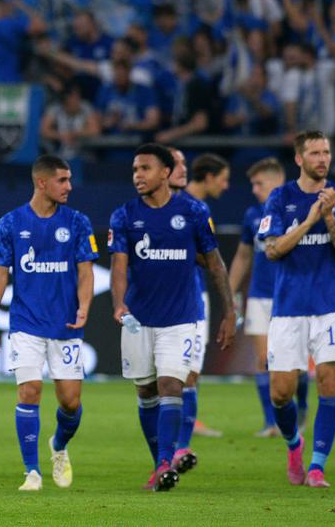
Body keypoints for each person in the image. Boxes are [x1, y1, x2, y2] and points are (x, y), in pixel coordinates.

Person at [109, 143, 236, 492]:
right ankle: (159, 464)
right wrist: (119, 304)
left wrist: (229, 311)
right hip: (139, 319)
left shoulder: (193, 212)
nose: (138, 176)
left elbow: (214, 262)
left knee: (171, 385)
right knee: (146, 390)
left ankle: (166, 463)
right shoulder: (124, 215)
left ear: (165, 173)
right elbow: (118, 266)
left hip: (181, 318)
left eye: (145, 168)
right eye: (135, 169)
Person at [0, 154, 97, 491]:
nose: (69, 186)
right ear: (41, 182)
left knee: (70, 401)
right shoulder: (11, 223)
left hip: (66, 326)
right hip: (26, 323)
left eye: (69, 179)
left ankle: (58, 445)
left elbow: (86, 271)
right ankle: (32, 471)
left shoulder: (77, 222)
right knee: (29, 391)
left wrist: (84, 306)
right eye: (62, 180)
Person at [258, 131, 335, 488]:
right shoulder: (280, 198)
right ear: (299, 159)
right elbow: (272, 250)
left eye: (327, 152)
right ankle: (294, 445)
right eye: (315, 153)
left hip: (330, 305)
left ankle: (317, 467)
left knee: (329, 383)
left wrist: (329, 217)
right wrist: (308, 221)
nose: (323, 159)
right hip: (289, 307)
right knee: (280, 392)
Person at [171, 152, 231, 469]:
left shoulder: (197, 209)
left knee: (191, 371)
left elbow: (208, 257)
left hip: (194, 296)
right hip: (169, 299)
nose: (226, 185)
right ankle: (171, 442)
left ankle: (183, 443)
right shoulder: (169, 207)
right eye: (223, 178)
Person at [227, 157, 290, 438]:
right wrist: (229, 292)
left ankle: (298, 412)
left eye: (259, 183)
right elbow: (243, 255)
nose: (254, 189)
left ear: (277, 182)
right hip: (259, 295)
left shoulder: (293, 211)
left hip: (290, 296)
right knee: (263, 359)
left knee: (292, 364)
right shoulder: (253, 215)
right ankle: (271, 422)